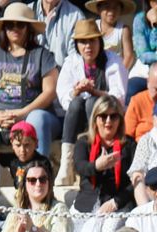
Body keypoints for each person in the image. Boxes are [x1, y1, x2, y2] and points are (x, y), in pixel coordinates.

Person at [0, 4, 60, 152]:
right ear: (4, 28)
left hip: (33, 114)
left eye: (20, 24)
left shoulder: (42, 55)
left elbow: (50, 91)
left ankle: (39, 170)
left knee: (37, 119)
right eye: (10, 25)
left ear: (29, 28)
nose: (15, 29)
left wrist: (22, 113)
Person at [57, 19, 130, 182]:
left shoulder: (113, 61)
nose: (88, 46)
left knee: (92, 102)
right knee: (76, 103)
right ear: (77, 45)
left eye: (92, 41)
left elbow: (118, 97)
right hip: (78, 118)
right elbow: (63, 97)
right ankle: (66, 164)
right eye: (83, 42)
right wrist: (76, 90)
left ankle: (95, 154)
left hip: (107, 118)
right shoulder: (71, 62)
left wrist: (94, 91)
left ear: (100, 42)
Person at [72, 93, 137, 212]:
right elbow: (79, 166)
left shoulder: (129, 144)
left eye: (113, 116)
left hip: (118, 205)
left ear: (120, 120)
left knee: (110, 229)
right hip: (86, 203)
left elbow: (136, 180)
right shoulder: (84, 142)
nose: (108, 121)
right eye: (103, 116)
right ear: (95, 119)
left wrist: (116, 202)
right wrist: (96, 166)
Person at [85, 0, 136, 74]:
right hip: (95, 71)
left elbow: (129, 56)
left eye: (115, 7)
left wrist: (119, 73)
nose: (111, 11)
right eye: (107, 6)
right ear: (99, 9)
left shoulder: (123, 30)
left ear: (120, 10)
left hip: (117, 71)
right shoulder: (93, 27)